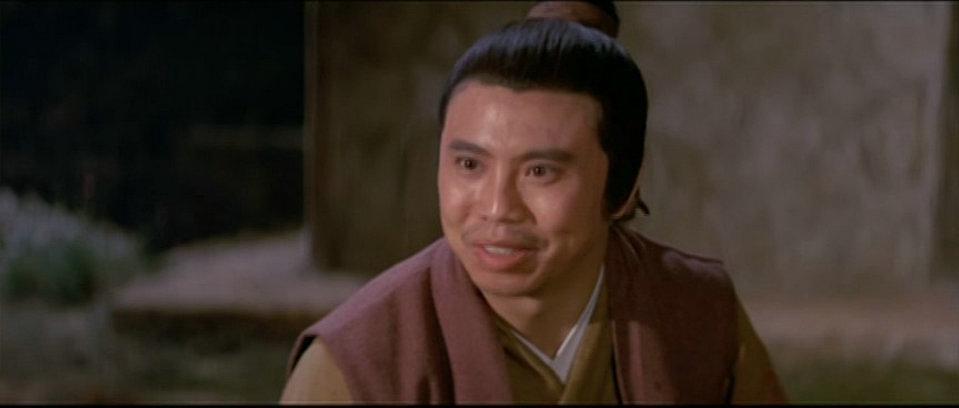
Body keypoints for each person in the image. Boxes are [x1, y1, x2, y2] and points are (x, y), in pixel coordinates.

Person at [281, 18, 786, 404]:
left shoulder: (697, 312)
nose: (497, 208)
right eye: (469, 165)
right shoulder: (356, 364)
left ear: (625, 187)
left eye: (541, 172)